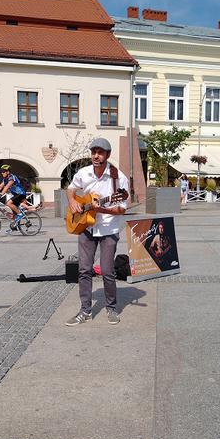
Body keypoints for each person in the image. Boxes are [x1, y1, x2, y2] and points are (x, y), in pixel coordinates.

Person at [65, 137, 129, 327]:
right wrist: (73, 201)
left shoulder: (119, 178)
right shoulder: (83, 173)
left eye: (100, 152)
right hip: (86, 227)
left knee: (108, 271)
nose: (96, 156)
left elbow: (122, 208)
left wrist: (102, 209)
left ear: (107, 155)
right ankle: (85, 310)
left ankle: (111, 308)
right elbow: (71, 189)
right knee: (84, 270)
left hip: (108, 228)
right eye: (94, 152)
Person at [0, 164, 39, 233]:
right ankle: (14, 227)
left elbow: (6, 187)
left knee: (8, 203)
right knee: (13, 214)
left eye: (3, 171)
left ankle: (20, 214)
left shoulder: (12, 178)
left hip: (21, 194)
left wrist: (1, 195)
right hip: (16, 195)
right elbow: (0, 187)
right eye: (1, 171)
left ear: (8, 172)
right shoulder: (5, 179)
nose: (2, 173)